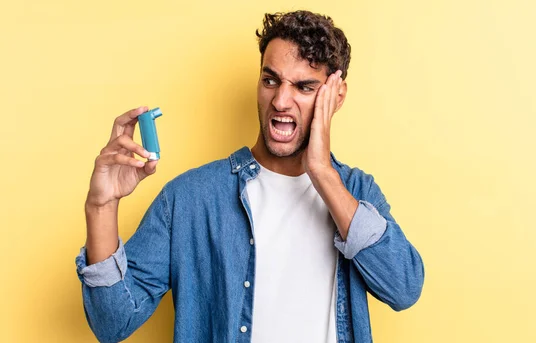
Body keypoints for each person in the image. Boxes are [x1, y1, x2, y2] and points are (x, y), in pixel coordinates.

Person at [76, 10, 425, 343]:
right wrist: (101, 207)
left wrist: (322, 173)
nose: (281, 101)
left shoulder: (356, 192)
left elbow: (403, 287)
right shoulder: (190, 199)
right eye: (271, 80)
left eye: (304, 87)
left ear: (336, 97)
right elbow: (113, 323)